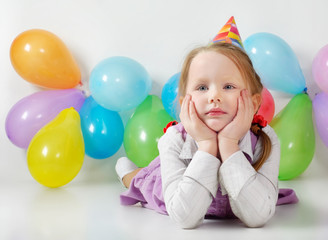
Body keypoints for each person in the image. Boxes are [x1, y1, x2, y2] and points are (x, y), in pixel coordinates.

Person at [116, 18, 298, 229]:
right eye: (202, 87)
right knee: (142, 182)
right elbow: (185, 219)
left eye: (228, 86)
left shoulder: (265, 140)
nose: (214, 96)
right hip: (174, 187)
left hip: (236, 192)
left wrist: (229, 144)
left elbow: (258, 216)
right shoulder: (174, 139)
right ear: (185, 103)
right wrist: (207, 145)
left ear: (255, 101)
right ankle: (128, 173)